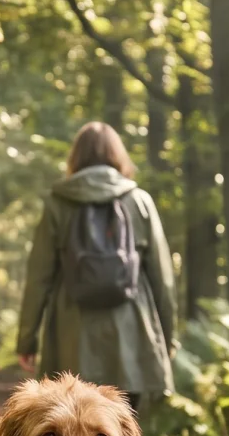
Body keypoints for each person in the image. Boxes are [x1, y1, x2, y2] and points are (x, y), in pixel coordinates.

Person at [16, 121, 176, 410]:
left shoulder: (57, 204)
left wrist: (26, 341)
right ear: (119, 156)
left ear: (76, 157)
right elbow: (162, 278)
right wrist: (167, 339)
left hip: (70, 341)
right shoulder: (139, 201)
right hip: (131, 340)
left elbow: (38, 278)